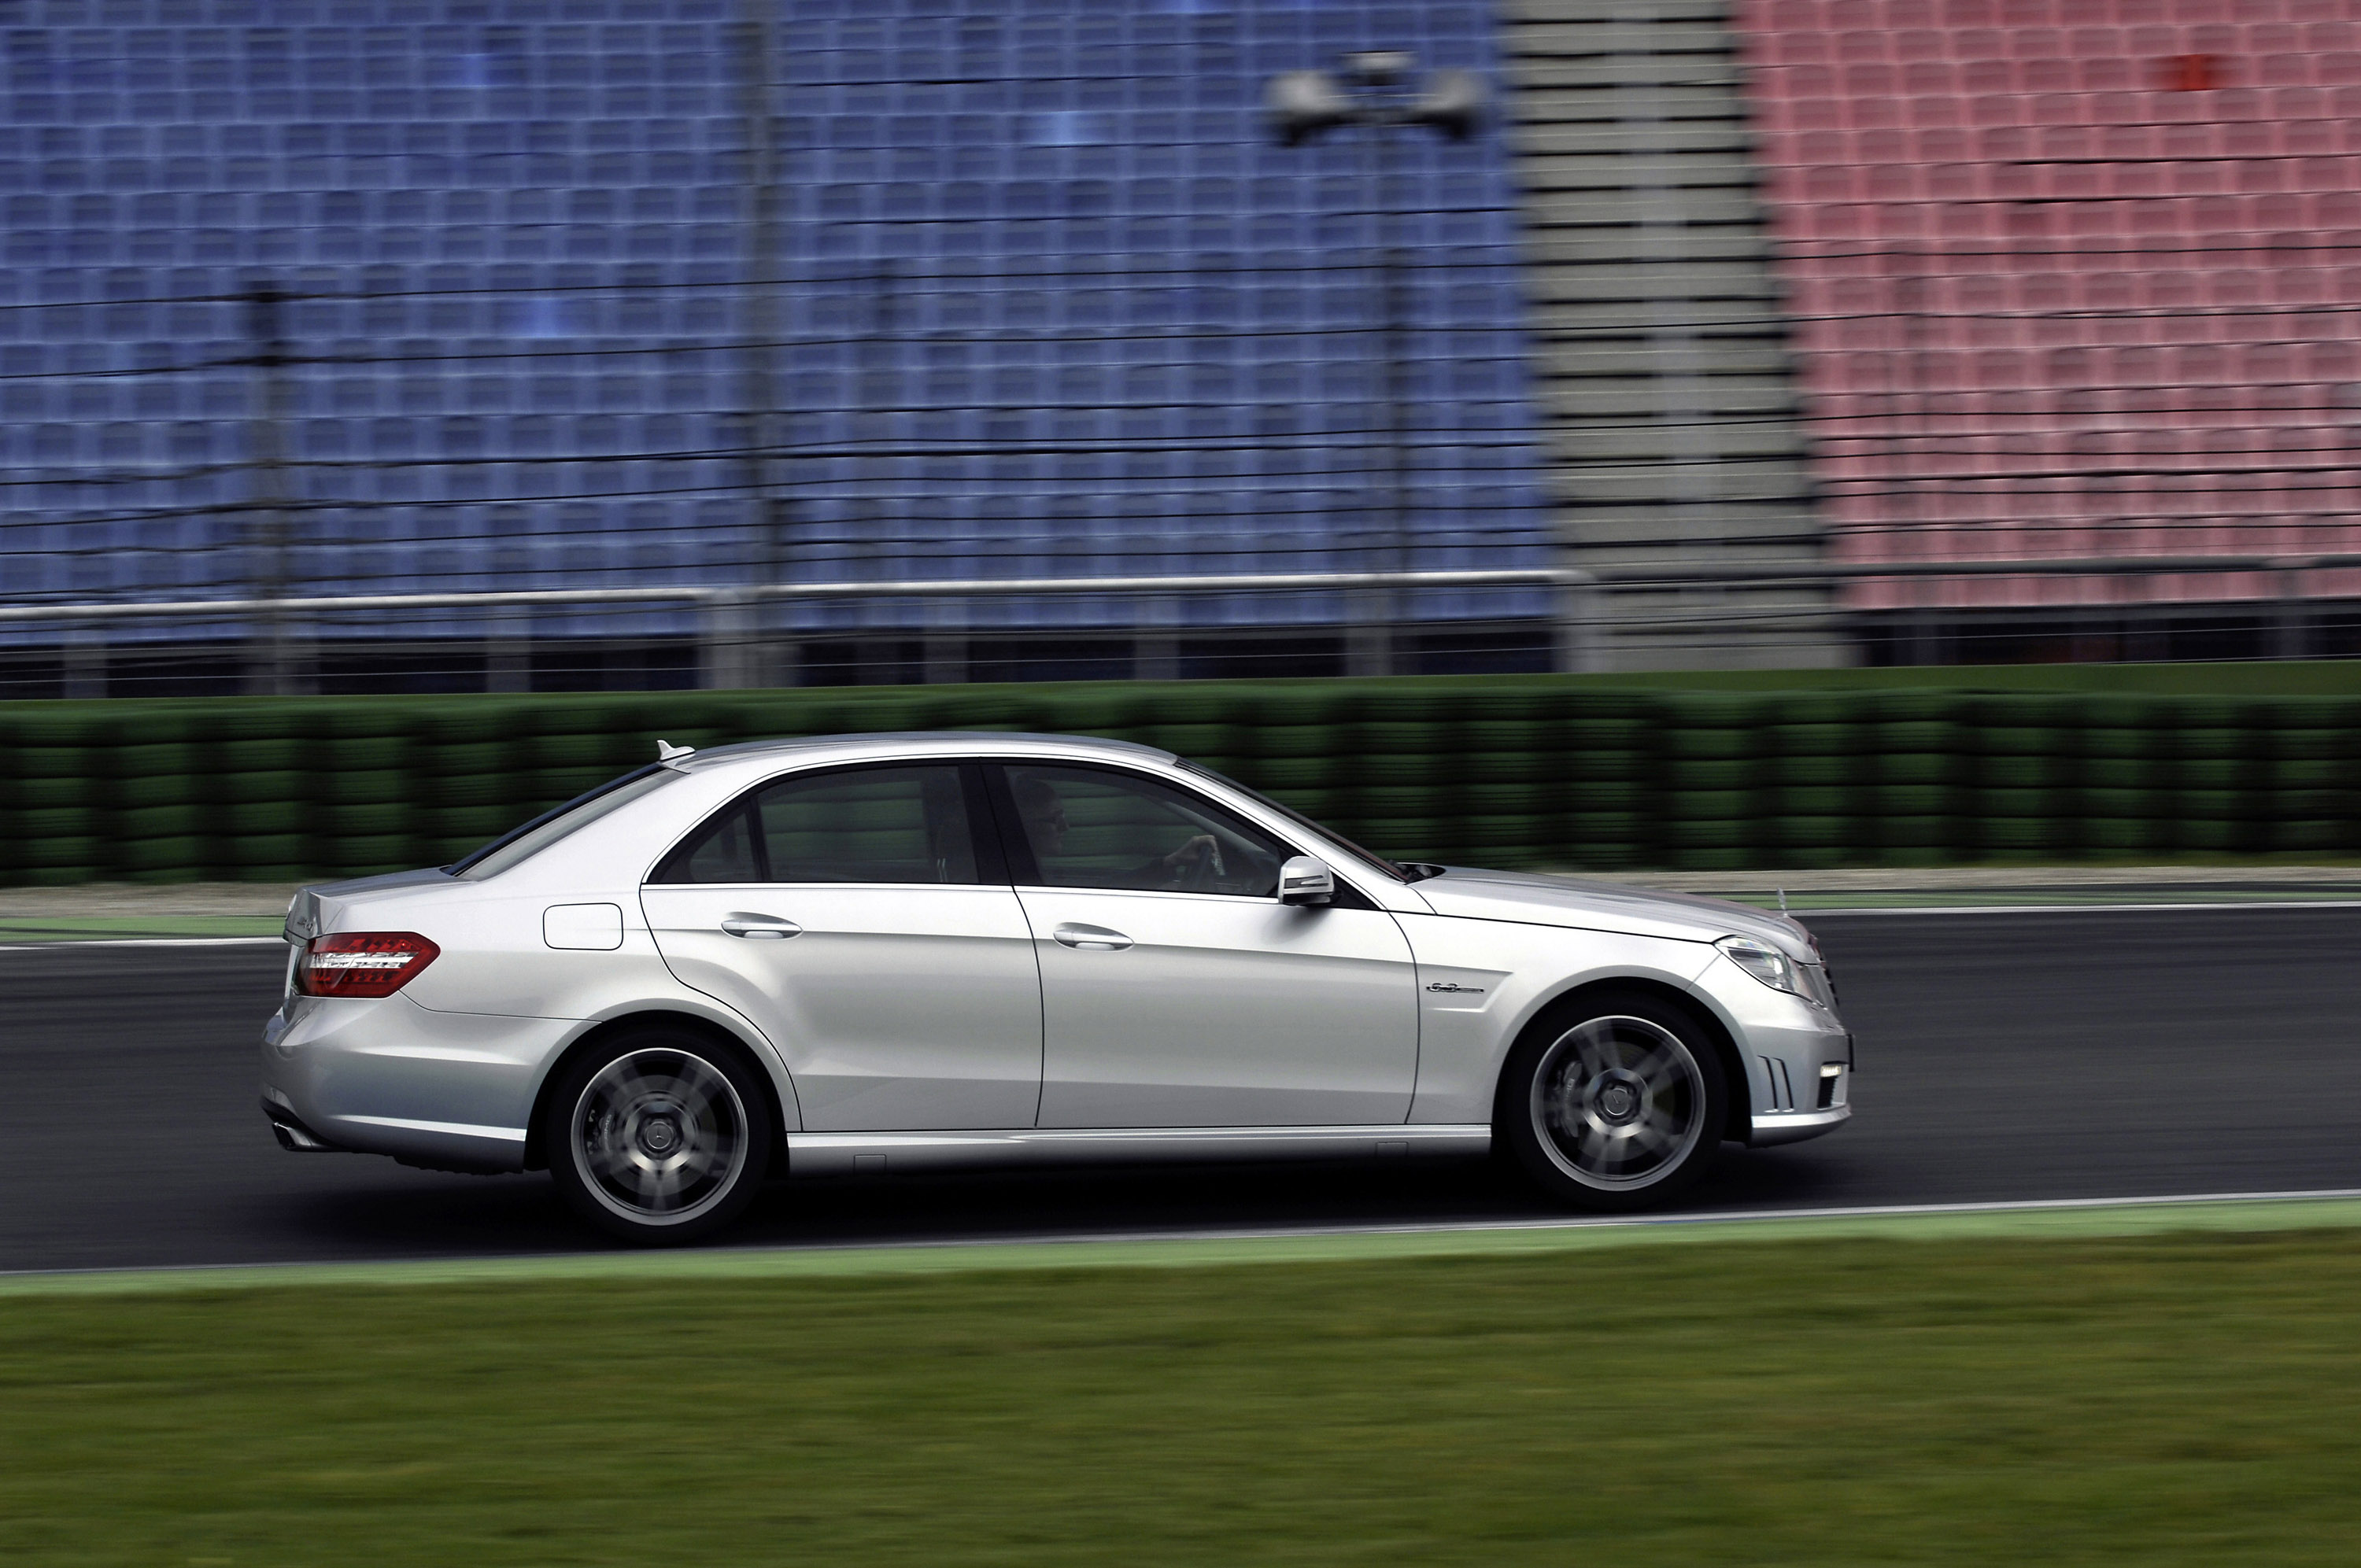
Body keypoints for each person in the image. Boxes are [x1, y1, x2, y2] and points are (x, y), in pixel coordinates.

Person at [1014, 775, 1222, 890]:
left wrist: (1170, 862)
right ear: (1025, 824)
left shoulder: (1029, 874)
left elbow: (1099, 891)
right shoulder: (1019, 881)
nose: (1065, 827)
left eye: (1063, 816)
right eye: (1054, 818)